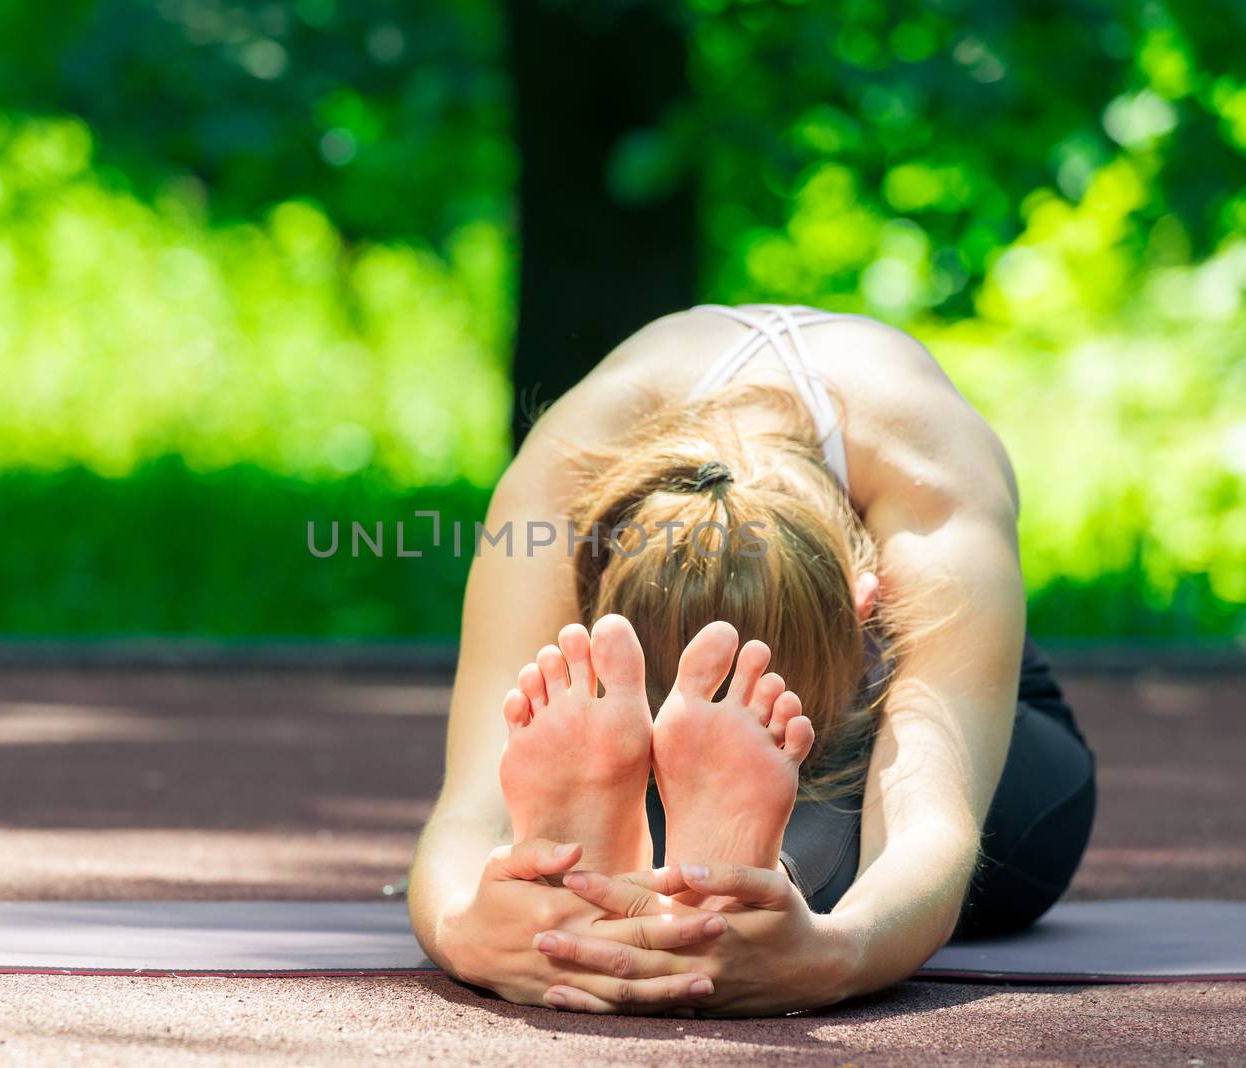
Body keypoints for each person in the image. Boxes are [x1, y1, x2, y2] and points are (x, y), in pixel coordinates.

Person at [407, 304, 1097, 1015]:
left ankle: (701, 863)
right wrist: (470, 936)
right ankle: (715, 860)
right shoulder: (558, 487)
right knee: (673, 749)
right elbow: (467, 811)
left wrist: (836, 955)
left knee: (954, 811)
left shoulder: (936, 483)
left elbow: (933, 826)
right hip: (656, 734)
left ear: (867, 604)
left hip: (913, 691)